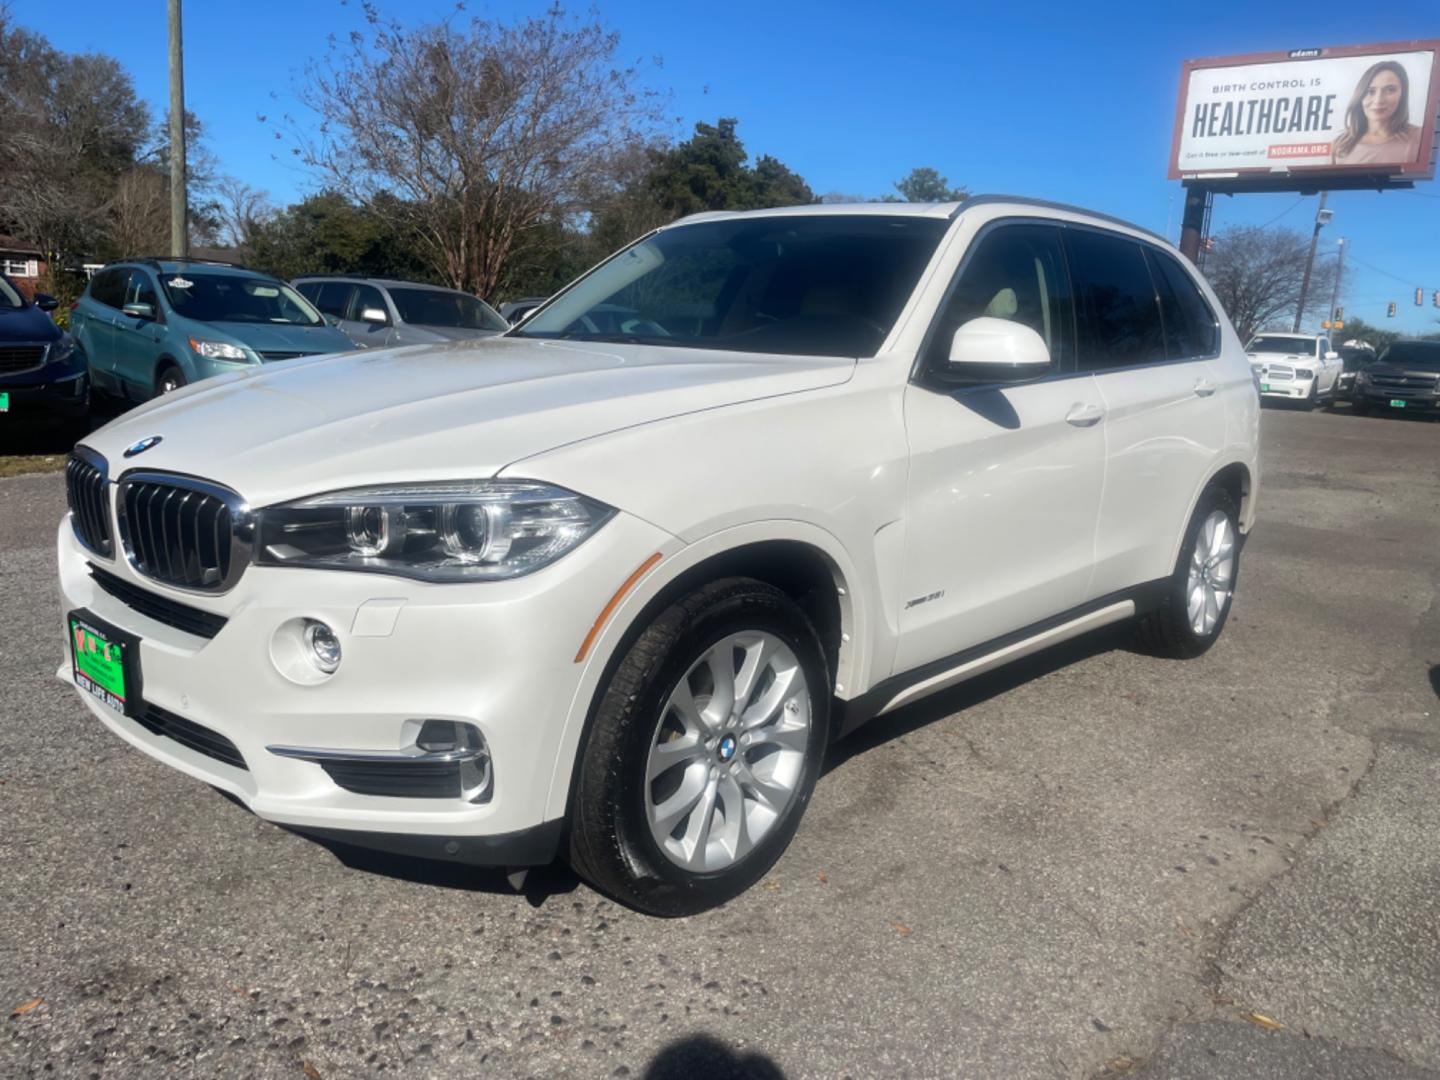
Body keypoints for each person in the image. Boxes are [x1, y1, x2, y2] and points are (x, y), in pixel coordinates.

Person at [1332, 60, 1422, 165]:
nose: (1378, 100)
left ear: (1402, 95)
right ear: (1360, 96)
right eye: (1370, 91)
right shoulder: (1340, 145)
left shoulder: (1420, 137)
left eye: (1390, 90)